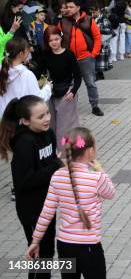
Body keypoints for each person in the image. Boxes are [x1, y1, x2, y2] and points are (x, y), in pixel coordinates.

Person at [26, 127, 116, 279]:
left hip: (64, 245)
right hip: (89, 246)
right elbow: (111, 193)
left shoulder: (57, 176)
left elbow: (46, 213)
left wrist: (35, 241)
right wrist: (100, 169)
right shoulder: (96, 178)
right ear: (90, 151)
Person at [0, 95, 62, 279]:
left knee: (46, 251)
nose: (47, 119)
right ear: (25, 121)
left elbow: (51, 164)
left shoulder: (49, 134)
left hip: (48, 204)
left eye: (47, 113)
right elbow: (24, 181)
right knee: (40, 253)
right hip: (32, 209)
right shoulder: (24, 143)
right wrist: (57, 165)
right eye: (40, 116)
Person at [59, 0, 103, 116]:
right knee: (69, 84)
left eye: (71, 7)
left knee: (90, 83)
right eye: (67, 7)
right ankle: (69, 108)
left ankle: (95, 106)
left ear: (78, 7)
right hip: (69, 59)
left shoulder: (88, 20)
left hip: (86, 58)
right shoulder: (63, 21)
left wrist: (93, 54)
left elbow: (97, 38)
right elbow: (57, 38)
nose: (68, 9)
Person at [40, 26, 81, 140]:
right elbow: (39, 74)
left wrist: (73, 91)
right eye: (50, 40)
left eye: (56, 39)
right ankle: (54, 151)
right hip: (52, 92)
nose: (54, 42)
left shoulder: (69, 54)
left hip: (67, 92)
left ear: (61, 38)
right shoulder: (45, 55)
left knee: (66, 126)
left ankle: (68, 152)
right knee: (51, 124)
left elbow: (78, 76)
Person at [0, 38, 52, 116]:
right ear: (21, 54)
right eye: (28, 51)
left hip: (3, 118)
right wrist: (48, 87)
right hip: (20, 119)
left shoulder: (2, 69)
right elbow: (37, 99)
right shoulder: (27, 75)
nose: (29, 53)